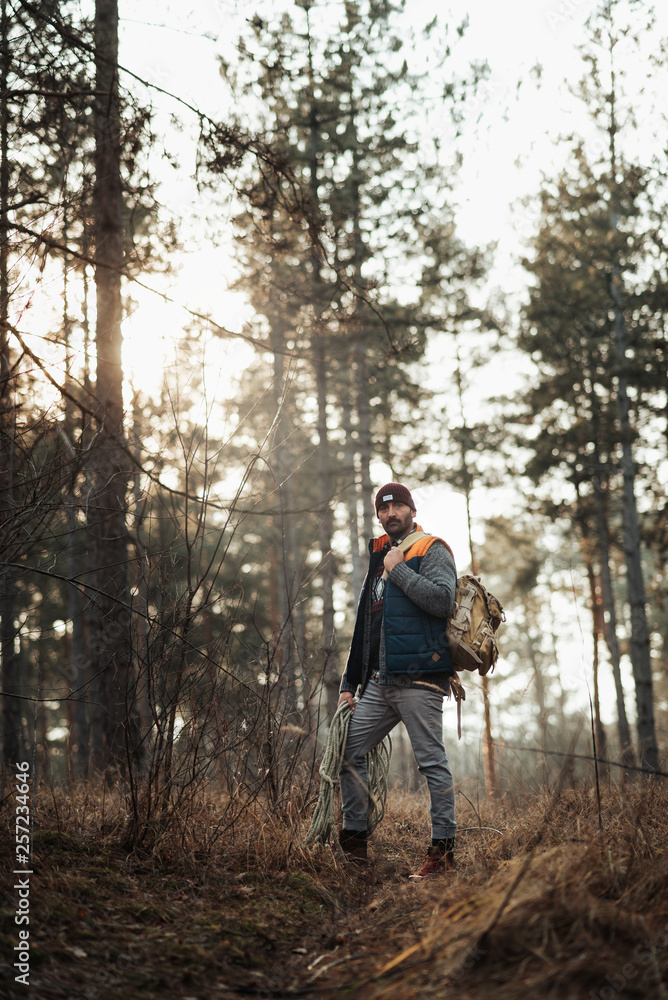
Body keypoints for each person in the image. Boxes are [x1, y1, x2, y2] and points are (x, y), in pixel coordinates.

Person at [337, 482, 458, 879]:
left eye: (399, 507)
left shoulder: (431, 549)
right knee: (348, 753)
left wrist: (399, 569)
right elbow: (364, 627)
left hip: (421, 677)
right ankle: (355, 849)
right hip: (378, 681)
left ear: (412, 510)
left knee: (432, 764)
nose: (392, 514)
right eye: (384, 509)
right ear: (378, 515)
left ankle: (442, 854)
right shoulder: (378, 557)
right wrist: (348, 684)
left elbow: (442, 601)